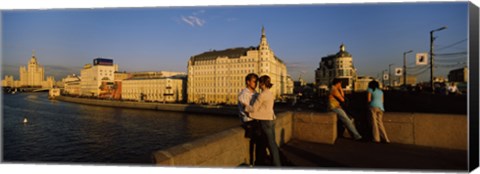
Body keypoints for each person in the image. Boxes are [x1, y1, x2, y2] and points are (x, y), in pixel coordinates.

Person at [243, 75, 281, 166]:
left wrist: (246, 107)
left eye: (259, 82)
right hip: (271, 120)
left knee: (270, 145)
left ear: (262, 83)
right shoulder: (270, 93)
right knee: (273, 144)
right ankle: (277, 163)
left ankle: (277, 166)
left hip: (265, 121)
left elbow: (254, 108)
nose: (258, 84)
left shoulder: (262, 95)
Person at [238, 73, 264, 166]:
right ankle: (255, 163)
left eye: (256, 81)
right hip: (250, 122)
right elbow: (247, 111)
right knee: (260, 142)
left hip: (256, 120)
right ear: (248, 82)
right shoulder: (243, 94)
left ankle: (259, 162)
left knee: (262, 143)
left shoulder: (256, 93)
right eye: (254, 81)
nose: (256, 83)